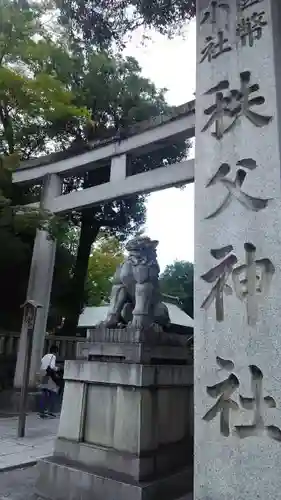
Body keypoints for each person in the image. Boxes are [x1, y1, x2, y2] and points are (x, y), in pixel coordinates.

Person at [38, 345, 60, 419]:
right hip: (49, 376)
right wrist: (58, 369)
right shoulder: (53, 356)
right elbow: (52, 366)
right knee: (53, 392)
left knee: (44, 393)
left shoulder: (45, 356)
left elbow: (41, 365)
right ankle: (50, 411)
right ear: (55, 351)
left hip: (43, 375)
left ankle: (42, 411)